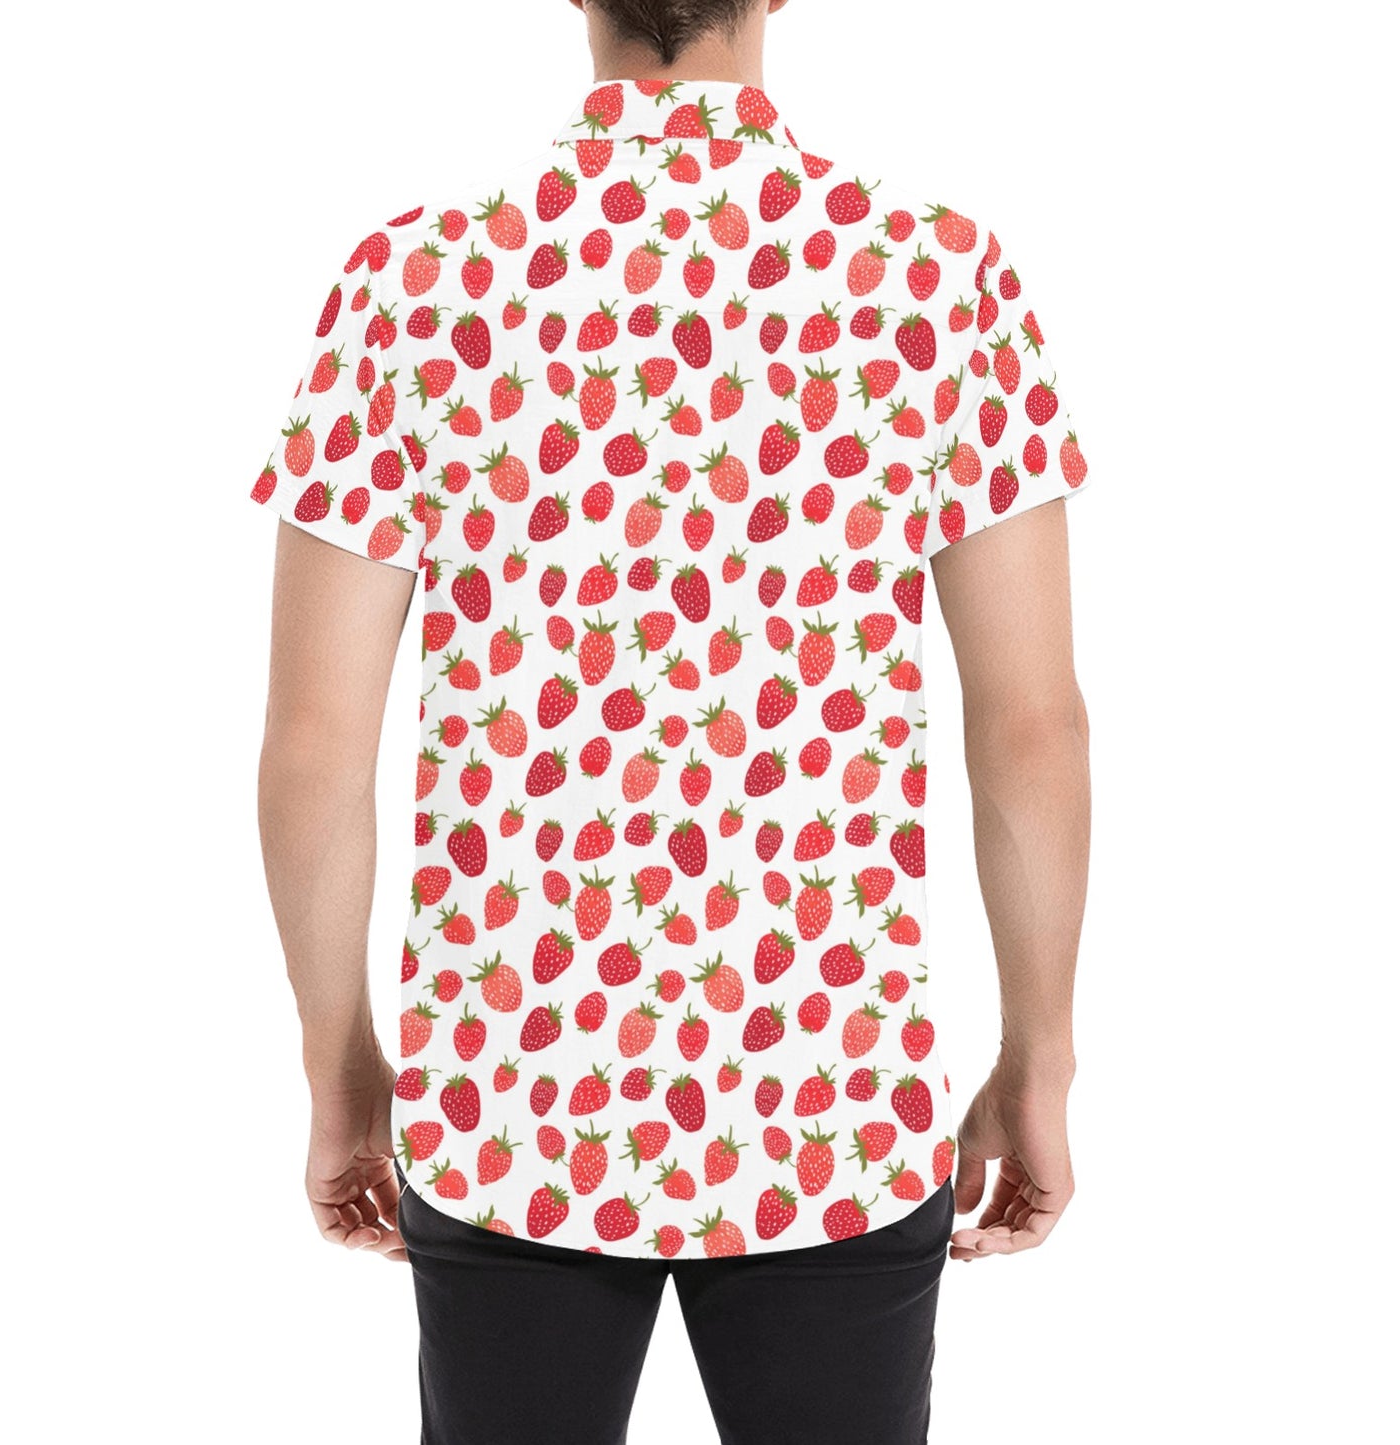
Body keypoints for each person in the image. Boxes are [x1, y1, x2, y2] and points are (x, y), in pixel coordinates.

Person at [249, 1, 1091, 1439]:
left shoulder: (414, 282)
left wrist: (340, 1067)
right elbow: (1031, 730)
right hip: (831, 1098)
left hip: (509, 1105)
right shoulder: (938, 275)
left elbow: (315, 746)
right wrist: (1040, 1056)